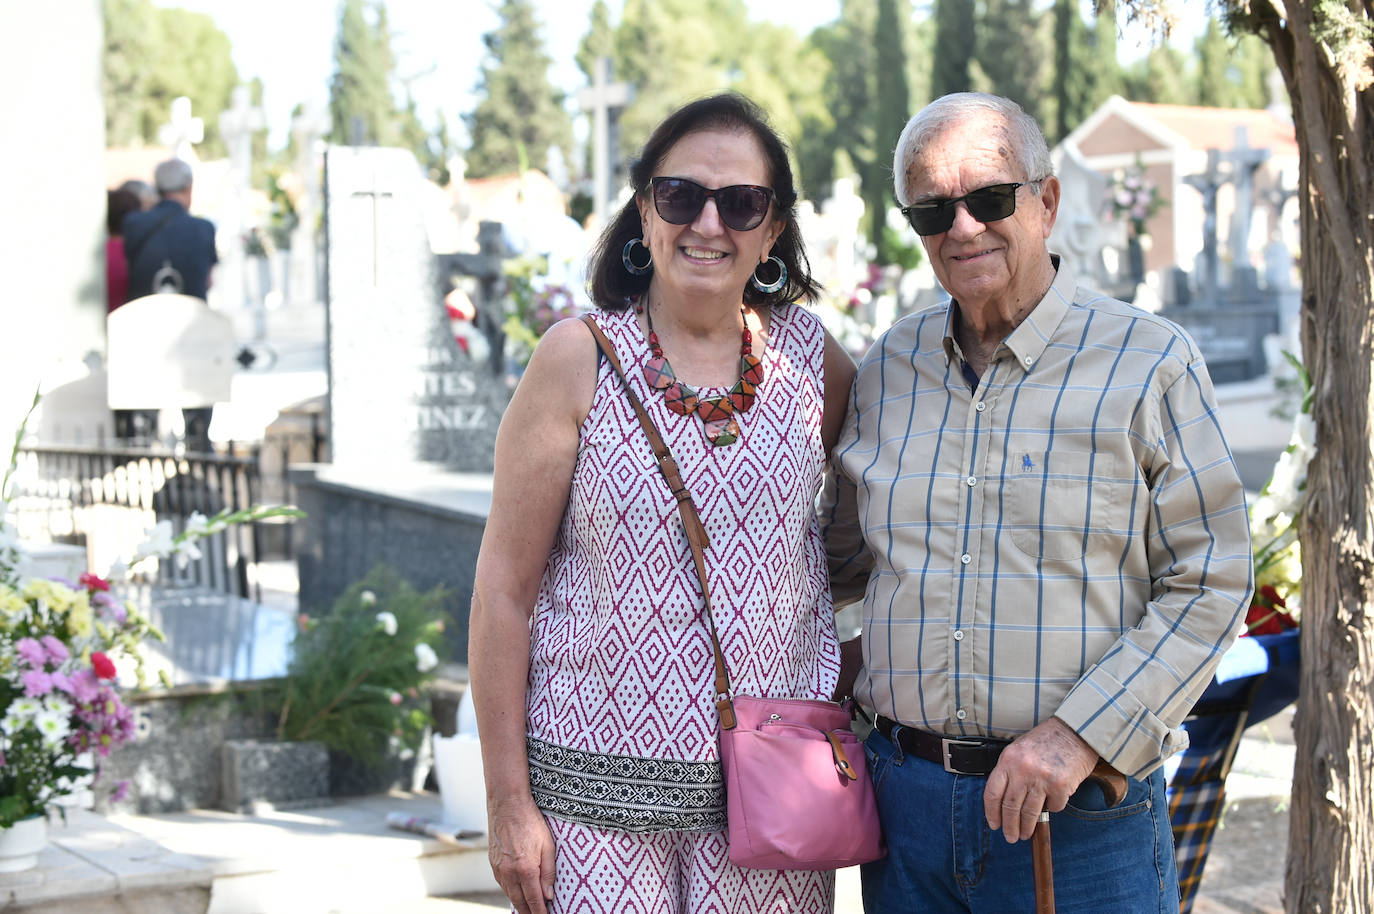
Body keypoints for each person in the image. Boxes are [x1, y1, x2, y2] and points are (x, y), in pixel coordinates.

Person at [822, 92, 1253, 913]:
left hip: (1080, 817)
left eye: (989, 199)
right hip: (904, 816)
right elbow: (842, 564)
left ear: (1046, 201)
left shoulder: (1149, 362)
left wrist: (1082, 733)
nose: (963, 228)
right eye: (933, 209)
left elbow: (1215, 576)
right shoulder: (886, 369)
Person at [468, 93, 856, 914]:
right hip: (590, 808)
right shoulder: (577, 360)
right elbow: (504, 592)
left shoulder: (813, 363)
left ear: (774, 228)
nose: (708, 224)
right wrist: (507, 804)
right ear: (645, 210)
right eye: (681, 196)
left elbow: (872, 540)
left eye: (741, 203)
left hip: (771, 802)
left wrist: (836, 678)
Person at [123, 158, 217, 302]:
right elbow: (208, 282)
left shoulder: (133, 223)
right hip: (192, 319)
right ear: (188, 187)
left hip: (142, 318)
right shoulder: (204, 228)